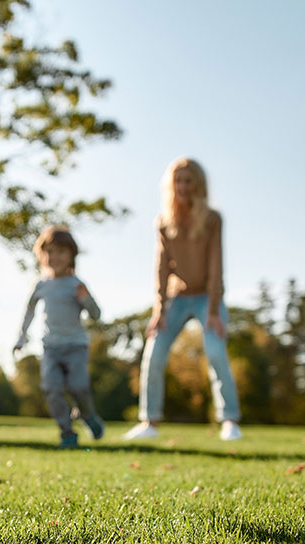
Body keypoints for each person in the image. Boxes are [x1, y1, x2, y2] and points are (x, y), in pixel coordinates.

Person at [123, 157, 242, 442]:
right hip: (176, 299)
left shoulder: (212, 219)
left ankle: (229, 421)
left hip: (206, 299)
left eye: (189, 180)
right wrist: (159, 310)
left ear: (198, 184)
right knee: (153, 353)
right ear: (170, 185)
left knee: (215, 352)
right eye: (178, 180)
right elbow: (161, 269)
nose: (183, 186)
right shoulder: (164, 222)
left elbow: (216, 266)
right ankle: (149, 422)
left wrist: (213, 310)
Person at [13, 226, 104, 449]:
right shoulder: (41, 285)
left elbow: (96, 315)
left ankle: (88, 415)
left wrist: (86, 299)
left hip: (76, 346)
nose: (55, 257)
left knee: (78, 387)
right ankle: (67, 433)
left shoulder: (77, 284)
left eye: (61, 252)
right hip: (51, 348)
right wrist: (21, 338)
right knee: (51, 389)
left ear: (72, 255)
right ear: (42, 255)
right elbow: (29, 312)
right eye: (50, 252)